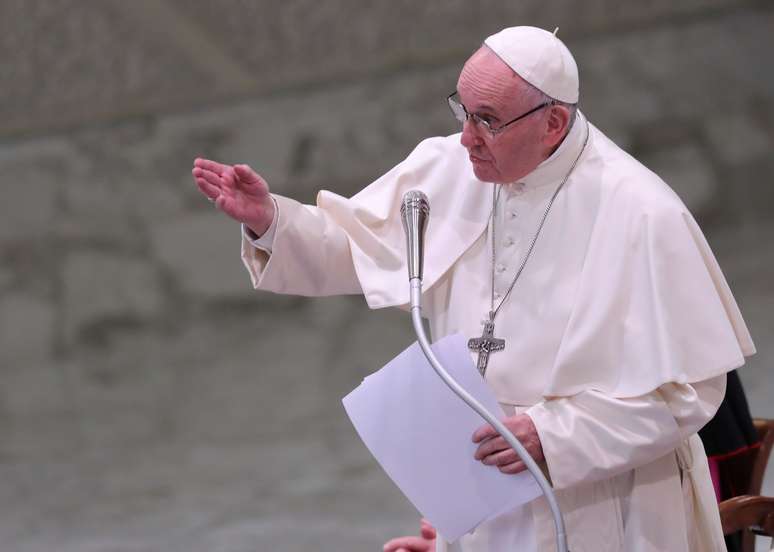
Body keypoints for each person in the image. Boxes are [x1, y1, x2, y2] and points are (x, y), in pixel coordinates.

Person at [191, 26, 755, 552]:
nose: (466, 138)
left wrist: (552, 437)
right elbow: (356, 248)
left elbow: (687, 393)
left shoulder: (641, 211)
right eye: (462, 110)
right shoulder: (451, 169)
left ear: (553, 122)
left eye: (487, 120)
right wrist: (271, 220)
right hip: (484, 492)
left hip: (607, 502)